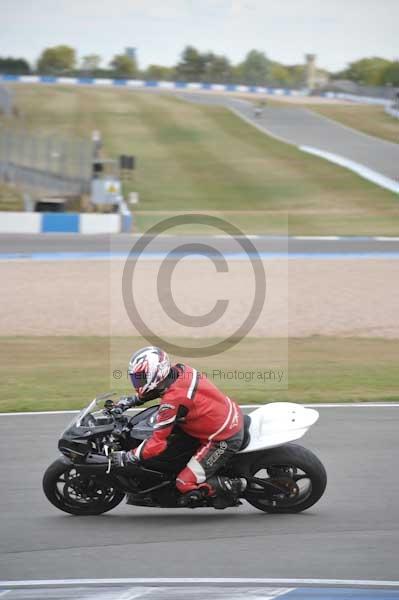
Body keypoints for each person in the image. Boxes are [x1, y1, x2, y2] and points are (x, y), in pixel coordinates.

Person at [111, 346, 246, 508]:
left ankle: (233, 486)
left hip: (223, 438)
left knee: (184, 482)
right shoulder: (180, 370)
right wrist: (132, 401)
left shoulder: (173, 401)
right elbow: (155, 389)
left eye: (140, 377)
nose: (136, 381)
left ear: (157, 372)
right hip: (223, 414)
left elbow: (157, 444)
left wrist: (129, 457)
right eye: (135, 377)